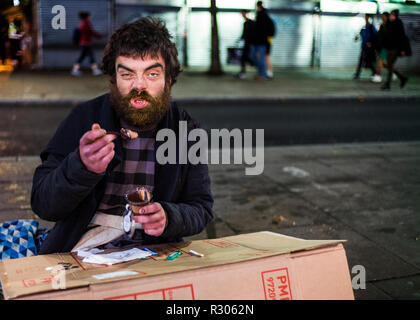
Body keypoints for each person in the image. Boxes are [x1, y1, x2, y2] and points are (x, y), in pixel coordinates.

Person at [31, 17, 214, 254]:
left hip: (155, 253)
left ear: (168, 79)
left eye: (152, 75)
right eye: (127, 75)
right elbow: (44, 205)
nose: (139, 86)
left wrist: (169, 217)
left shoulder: (185, 130)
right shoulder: (84, 118)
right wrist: (81, 167)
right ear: (114, 79)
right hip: (84, 248)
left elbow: (201, 208)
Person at [380, 9, 408, 91]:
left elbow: (402, 37)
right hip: (389, 48)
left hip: (395, 48)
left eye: (393, 16)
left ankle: (388, 84)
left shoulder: (398, 24)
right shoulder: (388, 24)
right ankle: (402, 78)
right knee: (388, 66)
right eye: (390, 15)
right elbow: (385, 37)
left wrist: (403, 49)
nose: (391, 17)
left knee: (390, 65)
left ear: (396, 16)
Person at [71, 12, 103, 76]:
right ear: (87, 17)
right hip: (86, 43)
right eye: (89, 16)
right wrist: (99, 36)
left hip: (83, 43)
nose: (90, 17)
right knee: (91, 57)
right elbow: (92, 32)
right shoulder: (86, 24)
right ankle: (95, 70)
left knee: (82, 57)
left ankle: (75, 70)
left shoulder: (82, 23)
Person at [249, 1, 271, 80]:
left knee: (261, 59)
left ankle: (262, 75)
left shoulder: (264, 16)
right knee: (252, 56)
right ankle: (260, 73)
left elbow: (270, 30)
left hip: (261, 42)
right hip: (256, 41)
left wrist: (265, 38)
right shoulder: (258, 16)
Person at [353, 14, 377, 80]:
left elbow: (376, 37)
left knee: (368, 61)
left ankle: (374, 72)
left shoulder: (371, 27)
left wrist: (371, 43)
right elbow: (360, 34)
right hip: (364, 46)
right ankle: (357, 74)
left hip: (369, 48)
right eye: (365, 18)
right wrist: (356, 38)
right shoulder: (363, 27)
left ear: (369, 18)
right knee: (361, 60)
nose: (366, 19)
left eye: (367, 17)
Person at [237, 9, 255, 79]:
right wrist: (239, 40)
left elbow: (253, 34)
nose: (243, 15)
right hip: (246, 43)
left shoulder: (252, 23)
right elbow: (244, 34)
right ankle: (242, 73)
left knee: (250, 58)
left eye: (243, 13)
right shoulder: (245, 23)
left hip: (251, 44)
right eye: (242, 14)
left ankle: (261, 71)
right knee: (244, 58)